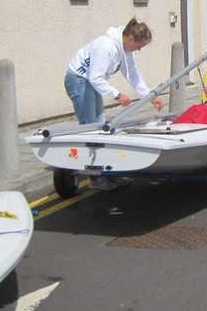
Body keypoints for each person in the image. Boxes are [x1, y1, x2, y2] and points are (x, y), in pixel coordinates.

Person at [65, 18, 163, 190]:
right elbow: (95, 76)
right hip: (79, 80)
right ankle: (95, 178)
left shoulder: (125, 49)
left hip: (90, 81)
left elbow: (133, 74)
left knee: (100, 127)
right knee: (90, 128)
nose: (138, 50)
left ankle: (105, 173)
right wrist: (117, 95)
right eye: (139, 46)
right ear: (130, 39)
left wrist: (149, 95)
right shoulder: (106, 46)